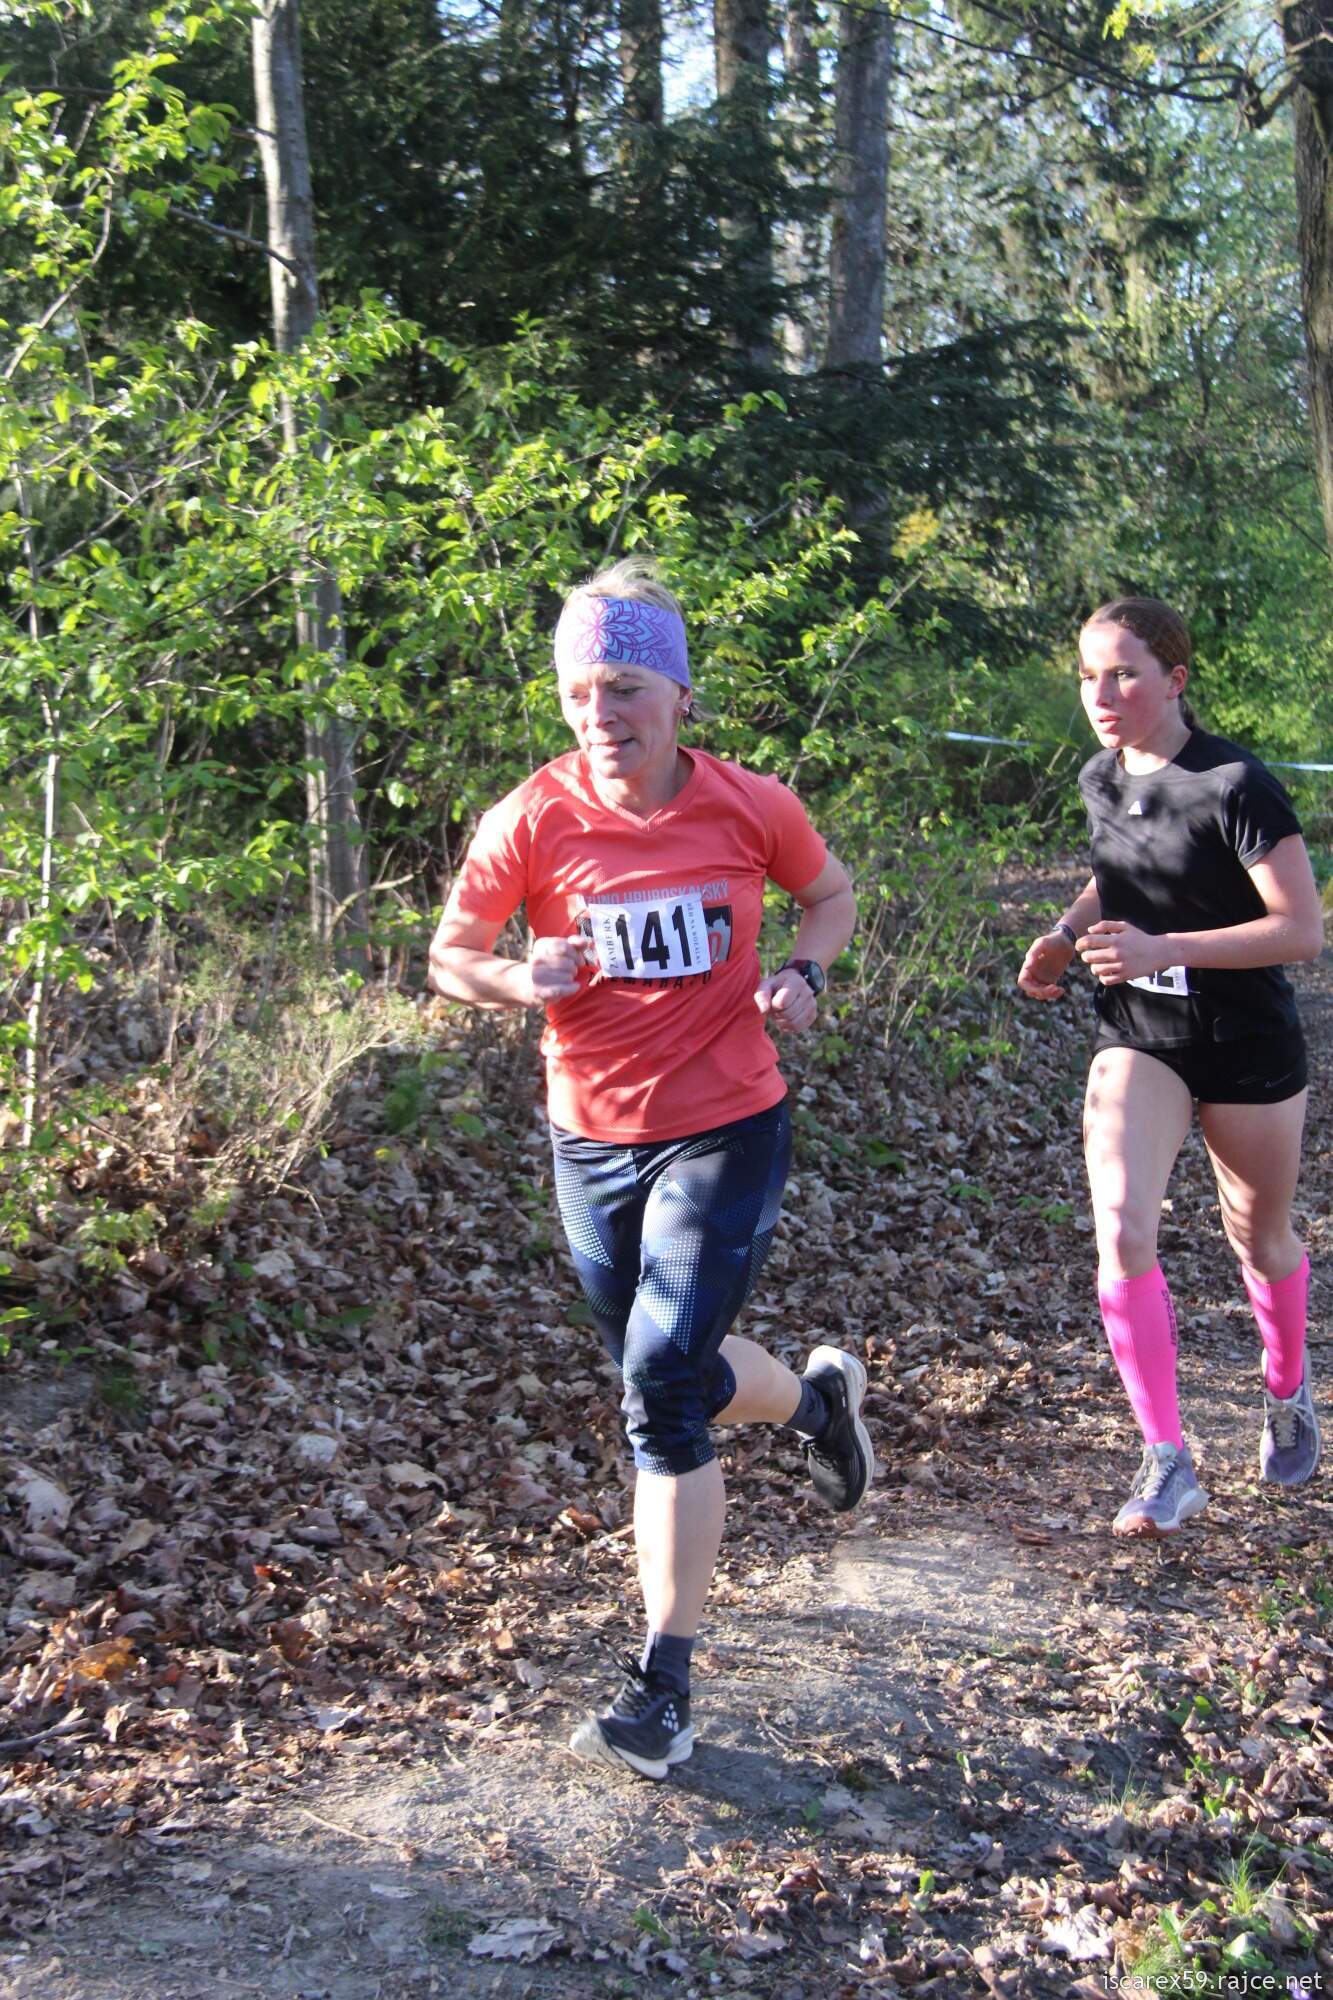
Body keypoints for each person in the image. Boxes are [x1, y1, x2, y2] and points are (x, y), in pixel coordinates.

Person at [427, 557, 872, 1777]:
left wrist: (805, 973)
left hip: (727, 1124)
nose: (600, 713)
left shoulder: (750, 805)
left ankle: (662, 1685)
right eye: (579, 691)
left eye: (623, 686)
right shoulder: (532, 815)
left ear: (678, 696)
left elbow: (828, 895)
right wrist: (516, 975)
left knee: (661, 1385)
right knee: (664, 1367)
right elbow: (450, 955)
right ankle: (818, 1406)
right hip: (590, 1140)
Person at [1018, 596, 1323, 1537]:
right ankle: (1165, 1459)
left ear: (1175, 679)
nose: (1100, 694)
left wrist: (1165, 948)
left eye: (1123, 674)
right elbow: (1119, 871)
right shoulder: (1099, 777)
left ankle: (1286, 1388)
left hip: (1244, 1040)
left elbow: (1299, 931)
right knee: (1120, 1229)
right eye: (1087, 675)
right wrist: (1065, 932)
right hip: (1139, 1036)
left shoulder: (1235, 784)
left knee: (1257, 1241)